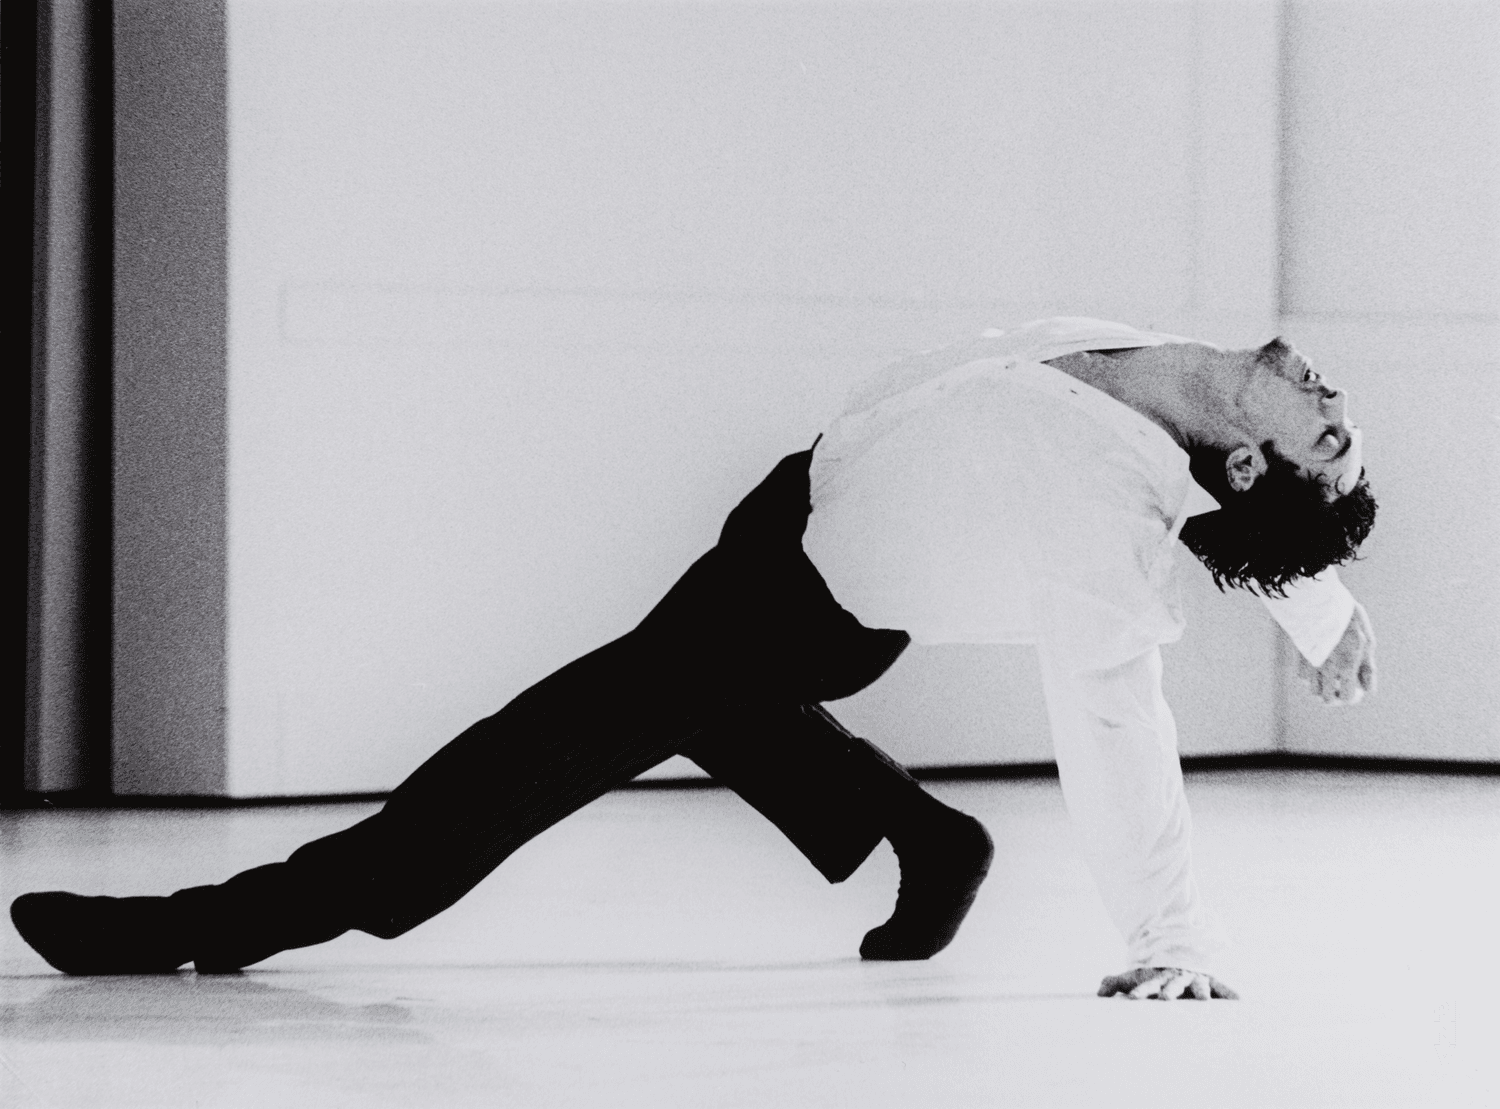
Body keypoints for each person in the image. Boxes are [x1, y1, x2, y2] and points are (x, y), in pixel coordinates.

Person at [11, 317, 1377, 1001]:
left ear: (1249, 458)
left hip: (814, 609)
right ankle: (920, 831)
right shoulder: (1181, 357)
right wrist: (1322, 610)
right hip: (786, 506)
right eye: (1342, 419)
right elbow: (1266, 534)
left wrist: (1168, 940)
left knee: (522, 758)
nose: (1335, 397)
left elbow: (1115, 714)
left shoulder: (1111, 530)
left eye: (1325, 433)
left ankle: (204, 928)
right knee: (715, 705)